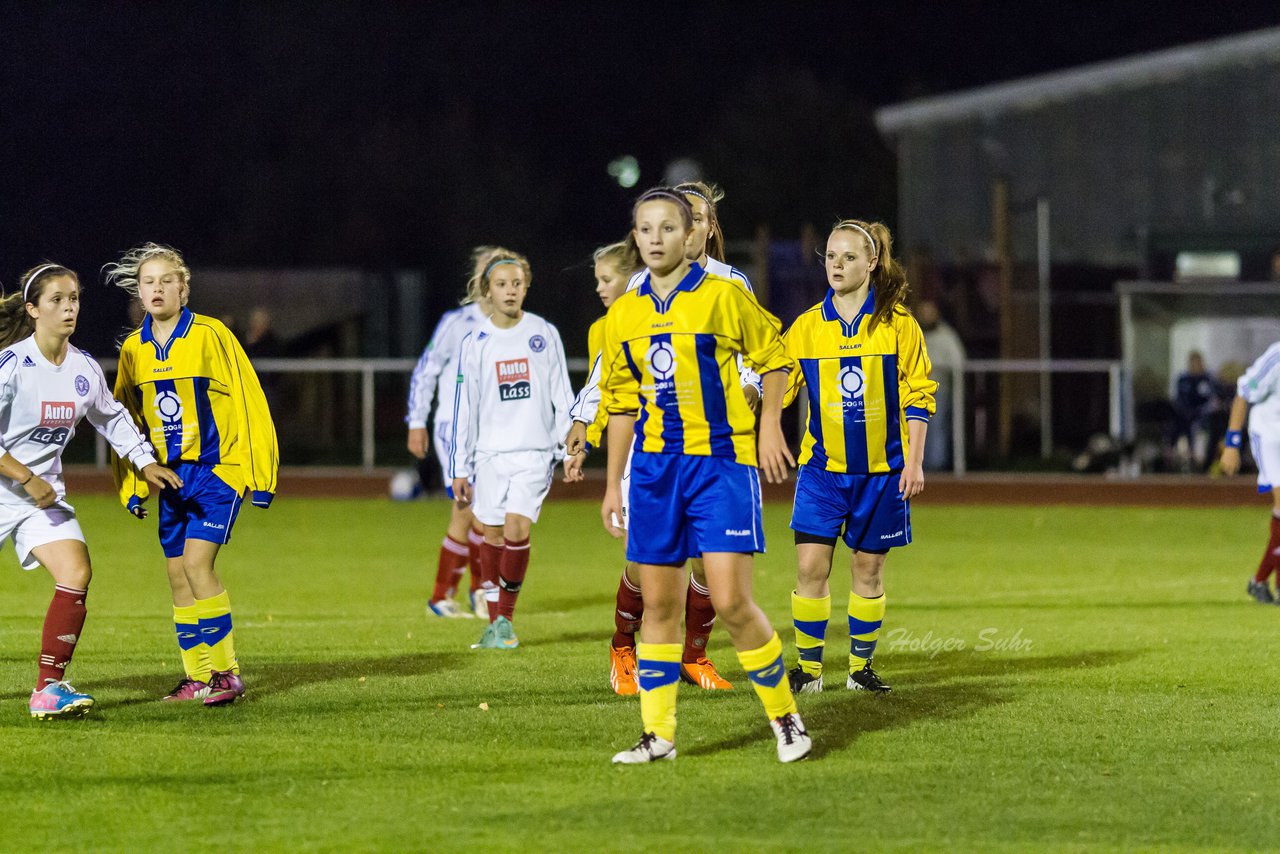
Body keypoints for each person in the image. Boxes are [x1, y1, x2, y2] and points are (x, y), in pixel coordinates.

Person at [596, 187, 810, 764]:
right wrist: (613, 482)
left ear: (691, 235)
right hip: (654, 473)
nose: (657, 239)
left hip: (720, 466)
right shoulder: (625, 314)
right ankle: (659, 735)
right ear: (635, 238)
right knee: (660, 606)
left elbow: (777, 360)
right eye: (646, 229)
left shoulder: (723, 296)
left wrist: (770, 427)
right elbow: (619, 403)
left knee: (731, 601)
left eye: (669, 228)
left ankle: (786, 720)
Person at [566, 181, 756, 695]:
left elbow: (753, 360)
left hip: (713, 450)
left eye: (691, 218)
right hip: (653, 449)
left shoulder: (732, 285)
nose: (679, 230)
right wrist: (583, 420)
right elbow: (612, 368)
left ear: (705, 228)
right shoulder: (637, 290)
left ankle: (694, 657)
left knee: (708, 565)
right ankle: (623, 646)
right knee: (643, 564)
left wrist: (751, 392)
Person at [0, 263, 181, 718]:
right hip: (16, 486)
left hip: (40, 498)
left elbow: (112, 417)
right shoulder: (11, 366)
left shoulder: (82, 368)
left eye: (74, 298)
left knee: (76, 572)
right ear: (32, 309)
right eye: (57, 300)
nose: (68, 308)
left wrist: (145, 462)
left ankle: (48, 690)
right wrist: (26, 476)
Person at [106, 243, 279, 705]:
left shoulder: (212, 335)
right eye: (149, 282)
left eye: (167, 280)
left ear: (184, 288)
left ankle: (228, 672)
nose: (158, 288)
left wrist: (260, 474)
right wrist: (132, 482)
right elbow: (124, 420)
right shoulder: (133, 350)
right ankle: (197, 677)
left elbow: (249, 399)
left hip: (217, 470)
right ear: (139, 293)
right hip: (170, 477)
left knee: (197, 565)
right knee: (176, 574)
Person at [782, 219, 936, 696]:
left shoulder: (898, 326)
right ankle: (809, 672)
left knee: (867, 572)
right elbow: (778, 386)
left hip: (882, 475)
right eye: (831, 256)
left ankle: (858, 669)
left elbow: (919, 395)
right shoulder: (806, 328)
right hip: (822, 473)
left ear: (871, 263)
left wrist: (914, 462)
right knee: (810, 569)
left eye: (849, 257)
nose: (837, 265)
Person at [449, 249, 573, 650]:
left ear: (527, 287)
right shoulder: (476, 342)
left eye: (517, 284)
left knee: (517, 526)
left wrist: (570, 444)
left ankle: (505, 620)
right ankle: (495, 622)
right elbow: (464, 406)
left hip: (534, 453)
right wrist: (459, 466)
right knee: (492, 532)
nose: (510, 291)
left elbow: (560, 391)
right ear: (488, 290)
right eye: (501, 284)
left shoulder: (543, 333)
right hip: (489, 456)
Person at [407, 246, 495, 619]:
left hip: (490, 430)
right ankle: (461, 594)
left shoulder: (517, 327)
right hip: (451, 426)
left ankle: (455, 595)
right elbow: (426, 370)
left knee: (475, 511)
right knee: (471, 506)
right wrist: (416, 421)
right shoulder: (457, 322)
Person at [1219, 340, 1280, 604]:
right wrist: (1232, 443)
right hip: (1269, 436)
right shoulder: (1278, 356)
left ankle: (1262, 582)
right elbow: (1244, 392)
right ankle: (1264, 582)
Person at [916, 299, 964, 471]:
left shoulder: (946, 335)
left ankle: (936, 467)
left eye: (930, 313)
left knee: (936, 427)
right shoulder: (912, 331)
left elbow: (958, 361)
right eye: (923, 313)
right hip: (913, 390)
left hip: (938, 389)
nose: (926, 317)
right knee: (914, 427)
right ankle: (916, 465)